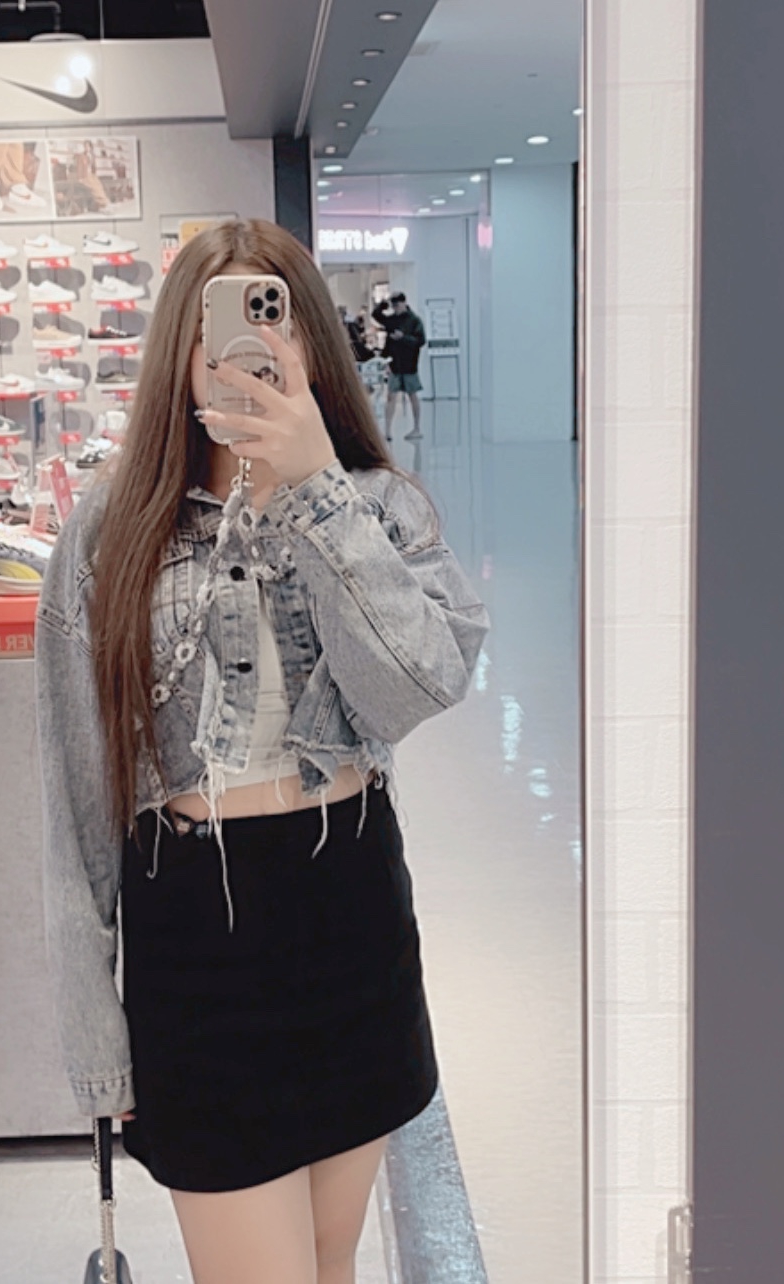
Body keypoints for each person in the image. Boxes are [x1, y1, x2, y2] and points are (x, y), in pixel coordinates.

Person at [36, 219, 488, 1284]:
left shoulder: (377, 507)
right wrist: (93, 1034)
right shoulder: (110, 533)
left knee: (330, 1265)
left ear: (310, 345)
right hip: (198, 940)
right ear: (181, 351)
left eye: (272, 324)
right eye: (222, 331)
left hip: (352, 917)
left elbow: (415, 687)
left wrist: (317, 487)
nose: (247, 353)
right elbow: (74, 801)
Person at [372, 292, 426, 441]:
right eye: (393, 306)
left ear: (404, 303)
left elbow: (420, 341)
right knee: (391, 396)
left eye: (397, 305)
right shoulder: (392, 320)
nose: (395, 308)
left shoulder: (414, 321)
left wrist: (403, 338)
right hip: (395, 363)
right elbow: (376, 315)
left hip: (409, 363)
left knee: (412, 395)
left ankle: (416, 427)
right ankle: (387, 430)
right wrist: (383, 303)